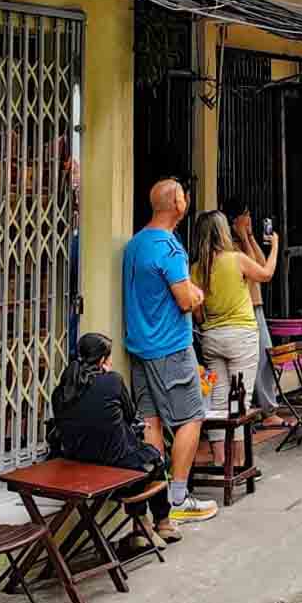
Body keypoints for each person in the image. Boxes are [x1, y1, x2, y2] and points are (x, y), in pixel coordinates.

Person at [121, 179, 216, 524]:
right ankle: (178, 495)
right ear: (177, 203)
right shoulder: (170, 248)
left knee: (151, 421)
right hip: (171, 347)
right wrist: (197, 296)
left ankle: (157, 497)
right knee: (192, 417)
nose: (187, 199)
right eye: (184, 195)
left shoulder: (136, 243)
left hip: (140, 346)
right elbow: (185, 300)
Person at [50, 332, 181, 545]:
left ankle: (143, 528)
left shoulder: (61, 392)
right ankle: (159, 524)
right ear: (102, 360)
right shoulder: (111, 381)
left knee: (138, 460)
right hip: (114, 470)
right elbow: (130, 416)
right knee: (155, 458)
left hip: (76, 467)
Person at [191, 209, 279, 466]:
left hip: (212, 336)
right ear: (222, 232)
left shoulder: (196, 268)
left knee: (218, 401)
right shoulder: (236, 259)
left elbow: (197, 313)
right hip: (241, 335)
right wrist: (274, 247)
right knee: (239, 400)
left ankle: (220, 460)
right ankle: (239, 463)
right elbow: (266, 274)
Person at [222, 197, 289, 429]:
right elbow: (258, 271)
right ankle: (260, 410)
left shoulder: (244, 242)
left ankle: (267, 409)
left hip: (256, 305)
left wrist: (249, 237)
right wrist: (242, 237)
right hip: (244, 309)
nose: (250, 219)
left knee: (266, 357)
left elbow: (261, 262)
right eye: (246, 214)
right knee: (253, 361)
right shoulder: (228, 245)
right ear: (235, 219)